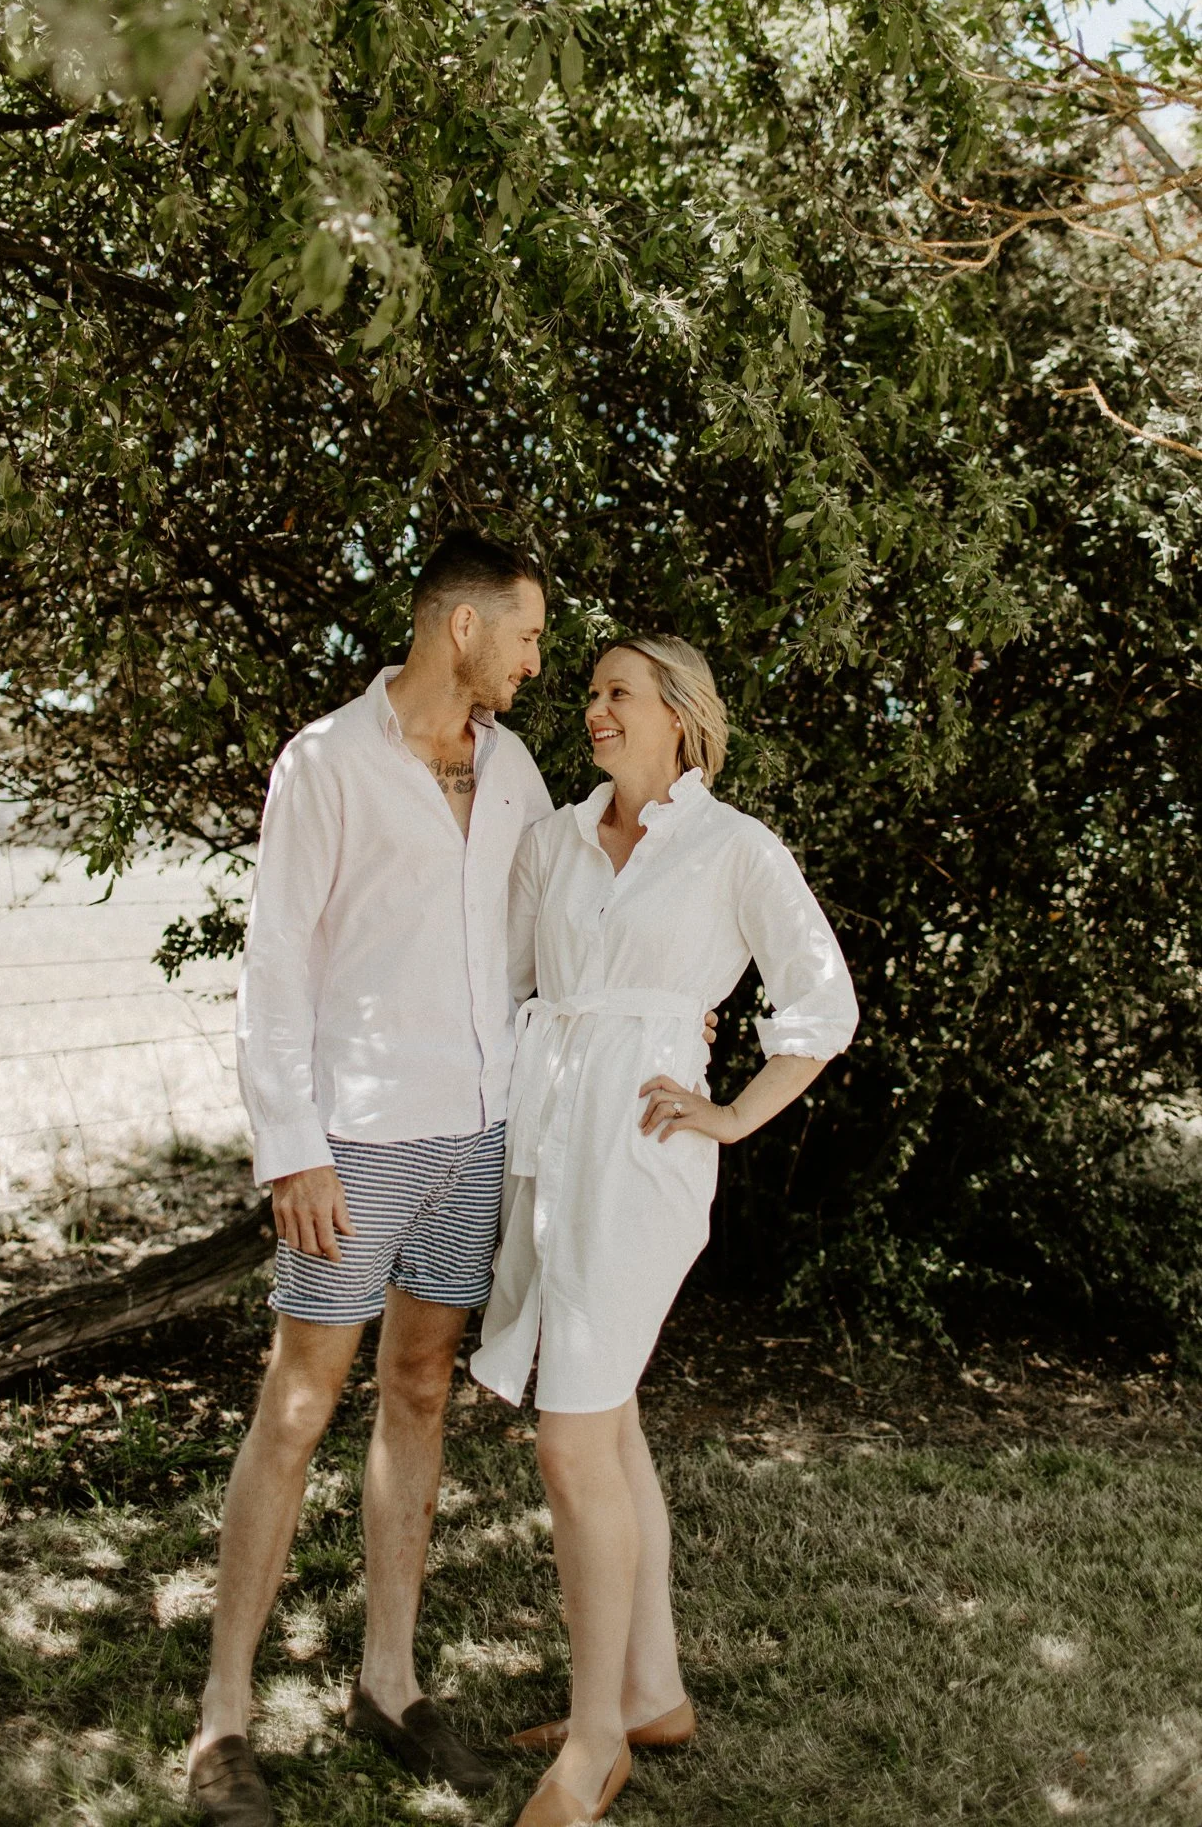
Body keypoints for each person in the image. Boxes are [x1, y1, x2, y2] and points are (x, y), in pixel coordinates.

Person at [187, 530, 553, 1824]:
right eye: (526, 635)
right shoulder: (326, 761)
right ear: (462, 626)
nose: (534, 661)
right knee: (297, 1406)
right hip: (353, 1143)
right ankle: (223, 1718)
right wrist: (290, 1143)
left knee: (419, 1389)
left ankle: (388, 1684)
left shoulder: (513, 770)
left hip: (476, 1134)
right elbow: (276, 960)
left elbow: (547, 930)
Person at [471, 635, 859, 1827]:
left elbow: (823, 1001)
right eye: (589, 692)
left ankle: (596, 1741)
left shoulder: (735, 847)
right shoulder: (554, 840)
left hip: (642, 1159)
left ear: (679, 715)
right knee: (612, 1416)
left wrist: (732, 1110)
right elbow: (509, 984)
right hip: (548, 1144)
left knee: (571, 1439)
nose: (593, 708)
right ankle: (651, 1692)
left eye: (617, 693)